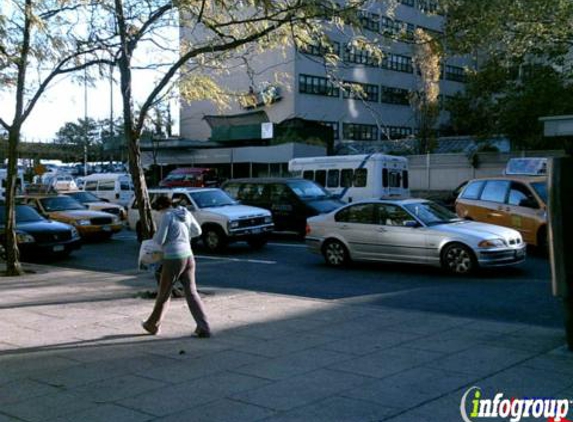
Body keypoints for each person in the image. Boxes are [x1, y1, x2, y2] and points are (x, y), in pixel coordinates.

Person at [142, 195, 211, 338]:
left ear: (161, 207)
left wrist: (155, 238)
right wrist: (185, 237)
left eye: (157, 210)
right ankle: (204, 327)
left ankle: (152, 325)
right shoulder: (185, 213)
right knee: (191, 292)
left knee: (164, 293)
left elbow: (160, 239)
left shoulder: (166, 216)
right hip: (189, 256)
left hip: (173, 258)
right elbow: (198, 231)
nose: (158, 213)